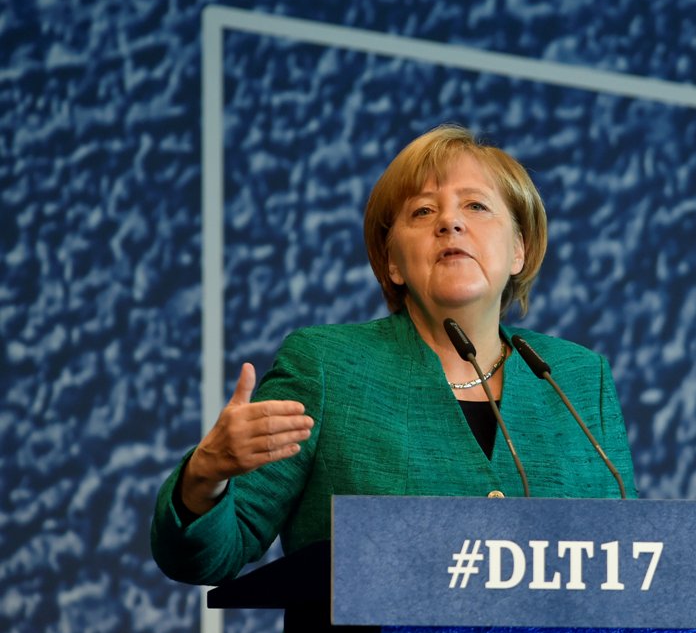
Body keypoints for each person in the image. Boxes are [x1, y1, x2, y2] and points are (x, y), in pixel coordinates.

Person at [151, 124, 636, 596]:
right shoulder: (327, 367)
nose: (450, 221)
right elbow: (209, 554)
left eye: (476, 205)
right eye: (423, 211)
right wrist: (205, 473)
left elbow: (637, 565)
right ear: (392, 263)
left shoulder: (576, 378)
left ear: (518, 250)